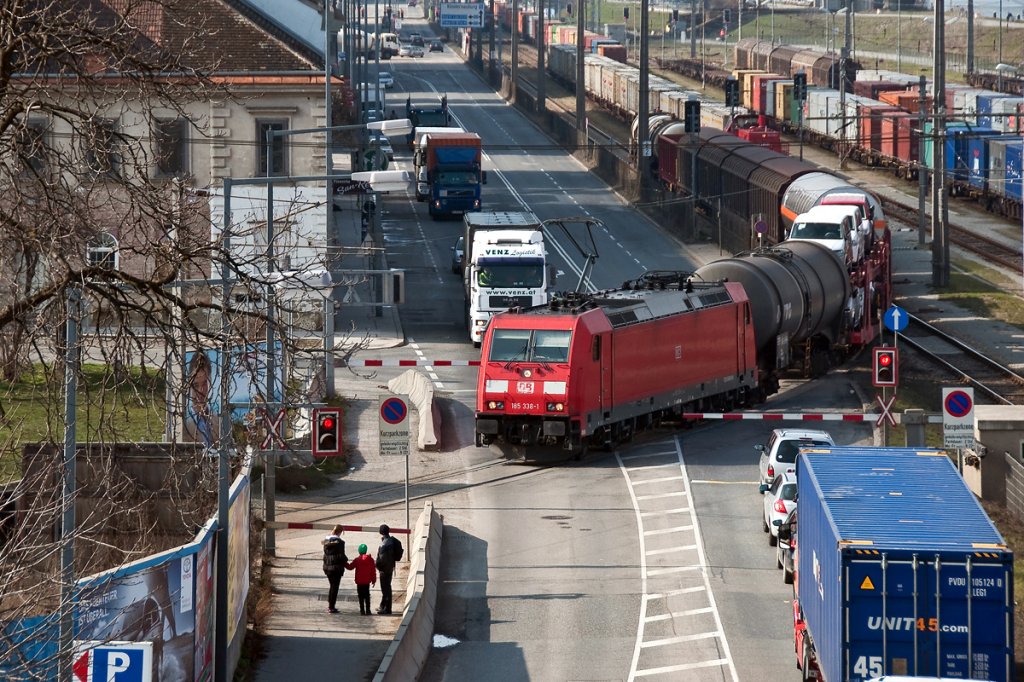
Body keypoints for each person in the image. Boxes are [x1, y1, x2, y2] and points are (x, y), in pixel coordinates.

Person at [375, 524, 403, 614]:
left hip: (384, 569)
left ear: (381, 532)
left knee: (385, 588)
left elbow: (382, 559)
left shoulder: (384, 544)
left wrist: (377, 565)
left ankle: (387, 609)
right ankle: (383, 606)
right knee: (387, 586)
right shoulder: (391, 541)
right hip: (390, 567)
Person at [321, 525, 347, 613]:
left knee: (332, 586)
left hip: (327, 567)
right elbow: (341, 556)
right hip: (336, 568)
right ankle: (331, 607)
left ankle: (330, 605)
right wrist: (346, 561)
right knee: (334, 587)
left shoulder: (326, 542)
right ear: (340, 532)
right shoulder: (340, 543)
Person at [346, 543, 377, 615]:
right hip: (367, 581)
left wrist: (344, 563)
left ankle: (362, 610)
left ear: (359, 551)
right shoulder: (370, 560)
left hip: (359, 581)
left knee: (360, 596)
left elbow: (350, 567)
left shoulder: (357, 560)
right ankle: (368, 610)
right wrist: (374, 580)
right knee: (367, 595)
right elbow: (373, 571)